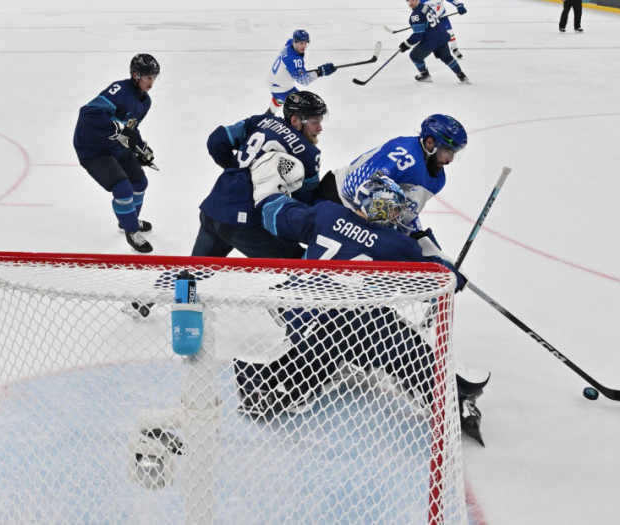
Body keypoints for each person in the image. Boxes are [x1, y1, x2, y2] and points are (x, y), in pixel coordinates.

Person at [236, 161, 488, 445]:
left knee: (337, 342)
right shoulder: (395, 244)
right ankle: (449, 399)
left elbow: (275, 216)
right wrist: (447, 267)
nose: (397, 216)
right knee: (404, 343)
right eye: (393, 210)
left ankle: (275, 382)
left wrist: (270, 194)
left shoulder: (327, 213)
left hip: (298, 314)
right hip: (353, 325)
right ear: (378, 209)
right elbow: (436, 282)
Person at [192, 90, 327, 258]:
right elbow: (303, 204)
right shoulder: (308, 154)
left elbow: (217, 140)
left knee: (194, 270)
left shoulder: (261, 121)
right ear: (295, 120)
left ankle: (176, 278)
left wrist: (235, 171)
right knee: (298, 264)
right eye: (315, 122)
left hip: (213, 208)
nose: (320, 128)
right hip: (246, 223)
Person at [316, 114, 468, 236]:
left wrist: (418, 237)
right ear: (430, 143)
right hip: (335, 198)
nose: (450, 159)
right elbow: (356, 188)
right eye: (447, 151)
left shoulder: (438, 179)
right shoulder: (404, 155)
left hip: (366, 214)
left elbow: (406, 212)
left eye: (454, 153)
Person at [73, 53, 160, 254]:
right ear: (135, 75)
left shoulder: (145, 101)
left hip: (115, 146)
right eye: (148, 77)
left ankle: (128, 221)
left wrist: (140, 147)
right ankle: (132, 231)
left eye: (154, 77)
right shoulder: (119, 90)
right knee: (122, 188)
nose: (151, 82)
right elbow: (88, 113)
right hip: (92, 149)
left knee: (140, 183)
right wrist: (116, 127)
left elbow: (130, 128)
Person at [265, 30, 336, 115]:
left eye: (305, 43)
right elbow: (303, 80)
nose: (304, 46)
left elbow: (292, 67)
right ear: (295, 42)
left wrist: (298, 71)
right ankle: (284, 121)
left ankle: (268, 114)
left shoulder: (289, 43)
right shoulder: (294, 60)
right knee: (302, 108)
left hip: (275, 81)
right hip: (280, 87)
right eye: (301, 43)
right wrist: (321, 72)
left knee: (283, 99)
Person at [398, 0, 468, 84]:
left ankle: (425, 75)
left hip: (431, 40)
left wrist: (406, 44)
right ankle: (461, 75)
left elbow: (419, 35)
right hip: (442, 36)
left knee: (414, 56)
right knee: (447, 57)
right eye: (409, 1)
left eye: (413, 0)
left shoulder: (415, 15)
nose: (410, 3)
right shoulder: (426, 6)